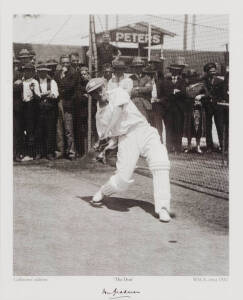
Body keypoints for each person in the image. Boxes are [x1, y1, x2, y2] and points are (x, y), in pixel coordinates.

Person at [86, 78, 172, 222]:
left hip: (144, 130)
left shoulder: (118, 92)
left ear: (105, 86)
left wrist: (106, 133)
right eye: (94, 93)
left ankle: (163, 207)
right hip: (126, 139)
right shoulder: (99, 115)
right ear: (92, 96)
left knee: (160, 164)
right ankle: (102, 191)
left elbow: (118, 111)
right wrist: (104, 143)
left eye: (100, 89)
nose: (99, 93)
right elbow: (108, 137)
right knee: (122, 181)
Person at [196, 63, 225, 152]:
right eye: (210, 71)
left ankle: (223, 146)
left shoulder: (220, 81)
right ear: (207, 72)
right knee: (208, 127)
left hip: (217, 106)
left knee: (219, 126)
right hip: (207, 106)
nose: (213, 72)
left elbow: (222, 94)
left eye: (214, 71)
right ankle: (209, 146)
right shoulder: (204, 82)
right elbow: (199, 91)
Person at [55, 54, 79, 160]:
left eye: (67, 62)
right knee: (59, 129)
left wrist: (64, 76)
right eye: (63, 62)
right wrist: (62, 88)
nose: (66, 64)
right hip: (59, 102)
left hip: (69, 103)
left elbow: (69, 87)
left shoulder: (74, 73)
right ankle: (60, 151)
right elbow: (56, 86)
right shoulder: (56, 73)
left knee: (68, 129)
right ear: (60, 63)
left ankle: (71, 152)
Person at [160, 61, 187, 153]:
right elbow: (164, 93)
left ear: (179, 71)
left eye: (177, 70)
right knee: (169, 128)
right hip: (168, 108)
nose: (175, 72)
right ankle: (169, 147)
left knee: (178, 128)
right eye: (173, 70)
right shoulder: (165, 81)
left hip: (179, 108)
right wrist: (174, 91)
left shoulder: (182, 81)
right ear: (171, 71)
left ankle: (178, 147)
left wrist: (175, 92)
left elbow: (184, 93)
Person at [35, 63, 59, 160]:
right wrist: (46, 94)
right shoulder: (35, 82)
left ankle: (49, 152)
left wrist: (48, 95)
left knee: (50, 131)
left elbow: (55, 94)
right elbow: (36, 95)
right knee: (39, 131)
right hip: (39, 110)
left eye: (44, 71)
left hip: (50, 110)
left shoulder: (52, 82)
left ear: (47, 72)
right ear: (38, 72)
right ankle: (39, 152)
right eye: (41, 72)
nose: (42, 73)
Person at [21, 63, 41, 159]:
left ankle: (34, 152)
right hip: (22, 107)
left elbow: (38, 97)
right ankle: (26, 152)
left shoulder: (35, 82)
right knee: (24, 130)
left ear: (33, 72)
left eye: (30, 71)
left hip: (32, 107)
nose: (28, 72)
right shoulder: (22, 82)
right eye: (26, 70)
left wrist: (33, 91)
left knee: (32, 129)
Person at [130, 57, 153, 122]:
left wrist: (137, 88)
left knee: (144, 123)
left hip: (144, 104)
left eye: (140, 67)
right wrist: (142, 89)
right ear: (133, 68)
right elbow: (129, 91)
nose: (138, 69)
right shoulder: (130, 78)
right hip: (133, 104)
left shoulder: (147, 78)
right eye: (136, 67)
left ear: (142, 67)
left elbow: (149, 88)